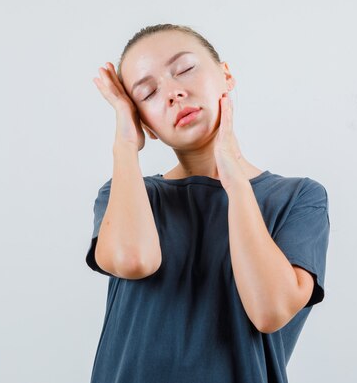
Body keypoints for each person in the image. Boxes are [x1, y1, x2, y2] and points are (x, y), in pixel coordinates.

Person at [86, 23, 331, 383]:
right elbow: (133, 260)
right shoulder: (127, 193)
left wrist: (232, 175)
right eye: (148, 93)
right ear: (146, 125)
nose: (173, 93)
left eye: (184, 69)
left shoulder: (298, 198)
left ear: (226, 75)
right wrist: (124, 144)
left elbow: (270, 310)